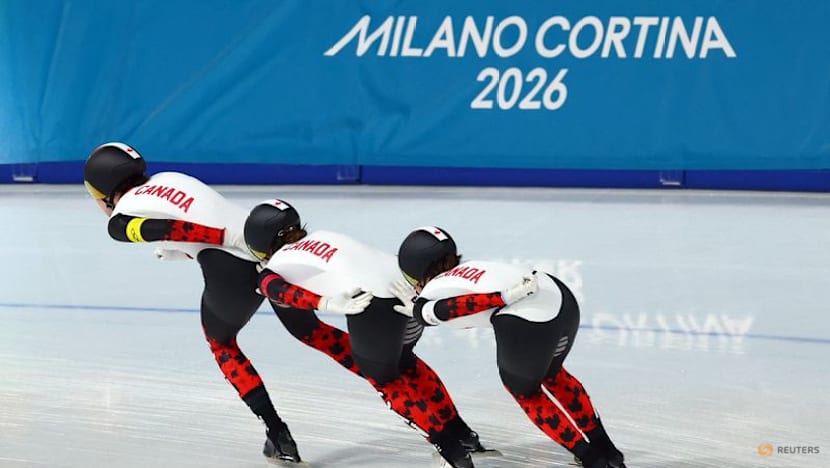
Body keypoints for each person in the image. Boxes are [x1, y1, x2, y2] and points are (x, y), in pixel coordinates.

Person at [83, 142, 311, 464]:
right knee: (317, 335)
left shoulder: (120, 220)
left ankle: (278, 434)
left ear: (103, 190)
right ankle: (401, 381)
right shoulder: (169, 177)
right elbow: (191, 217)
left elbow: (172, 227)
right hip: (273, 250)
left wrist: (220, 239)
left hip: (232, 267)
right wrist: (185, 249)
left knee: (222, 344)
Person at [244, 200, 492, 468]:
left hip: (377, 305)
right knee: (405, 363)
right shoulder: (322, 236)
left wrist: (324, 303)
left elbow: (272, 288)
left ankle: (453, 453)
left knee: (387, 381)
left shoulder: (278, 264)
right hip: (407, 288)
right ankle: (463, 436)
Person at [390, 226, 626, 468]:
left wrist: (502, 297)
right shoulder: (471, 268)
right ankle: (608, 452)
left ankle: (593, 460)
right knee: (552, 375)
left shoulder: (431, 293)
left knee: (526, 391)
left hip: (527, 318)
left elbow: (455, 307)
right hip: (559, 298)